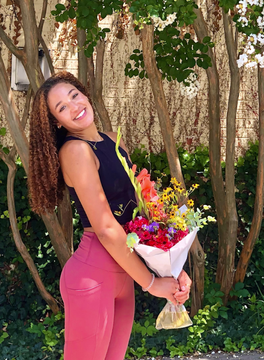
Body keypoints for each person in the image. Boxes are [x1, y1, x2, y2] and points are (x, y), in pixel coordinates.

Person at [28, 71, 192, 360]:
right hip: (92, 276)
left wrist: (173, 268)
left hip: (124, 273)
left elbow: (144, 212)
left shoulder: (114, 140)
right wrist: (152, 284)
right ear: (56, 121)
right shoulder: (76, 151)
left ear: (84, 94)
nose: (74, 106)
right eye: (62, 108)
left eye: (74, 96)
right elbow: (105, 228)